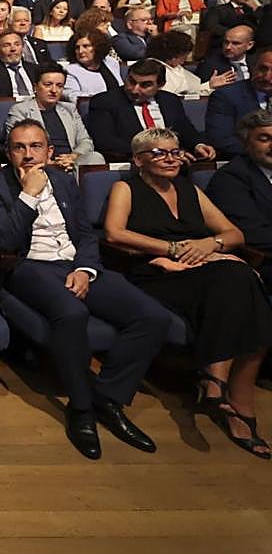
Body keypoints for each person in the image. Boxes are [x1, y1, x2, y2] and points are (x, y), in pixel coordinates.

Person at [0, 121, 170, 459]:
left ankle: (108, 397)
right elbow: (5, 241)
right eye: (19, 148)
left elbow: (84, 233)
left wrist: (85, 269)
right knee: (72, 312)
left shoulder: (65, 181)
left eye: (36, 146)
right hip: (30, 267)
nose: (28, 155)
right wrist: (29, 195)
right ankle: (81, 408)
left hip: (76, 263)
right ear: (8, 153)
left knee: (152, 316)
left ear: (49, 151)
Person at [104, 128, 272, 459]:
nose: (170, 158)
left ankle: (218, 385)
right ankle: (235, 401)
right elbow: (113, 233)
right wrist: (173, 250)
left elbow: (233, 233)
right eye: (159, 153)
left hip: (206, 272)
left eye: (175, 152)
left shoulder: (190, 189)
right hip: (156, 274)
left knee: (238, 277)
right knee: (240, 277)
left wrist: (209, 245)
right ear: (139, 160)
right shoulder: (126, 188)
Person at [87, 58, 215, 162]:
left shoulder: (170, 100)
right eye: (131, 81)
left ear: (160, 85)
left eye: (145, 85)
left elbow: (185, 130)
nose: (134, 89)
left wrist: (198, 145)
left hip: (173, 164)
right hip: (134, 165)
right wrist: (156, 153)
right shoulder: (105, 101)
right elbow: (105, 142)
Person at [4, 62, 104, 169]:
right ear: (35, 87)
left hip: (72, 162)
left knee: (95, 157)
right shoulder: (20, 110)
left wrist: (73, 157)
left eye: (59, 86)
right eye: (48, 85)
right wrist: (49, 162)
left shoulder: (69, 109)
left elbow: (85, 141)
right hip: (40, 163)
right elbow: (17, 146)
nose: (54, 90)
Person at [207, 108, 272, 266]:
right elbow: (251, 233)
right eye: (264, 139)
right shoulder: (230, 178)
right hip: (263, 260)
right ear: (246, 144)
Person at [204, 47, 272, 159]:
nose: (267, 77)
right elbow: (221, 140)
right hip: (246, 164)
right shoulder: (226, 96)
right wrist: (263, 152)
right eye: (262, 69)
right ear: (252, 68)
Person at [145, 30, 232, 98]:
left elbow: (190, 90)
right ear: (172, 56)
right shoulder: (152, 68)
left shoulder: (175, 66)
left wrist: (209, 85)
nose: (184, 61)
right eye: (183, 57)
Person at [63, 28, 123, 101]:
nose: (80, 51)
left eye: (86, 46)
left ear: (97, 47)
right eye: (77, 48)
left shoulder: (111, 62)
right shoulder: (71, 70)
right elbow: (71, 94)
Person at [0, 33, 40, 102]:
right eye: (7, 45)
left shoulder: (34, 69)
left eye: (17, 44)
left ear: (22, 48)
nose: (13, 49)